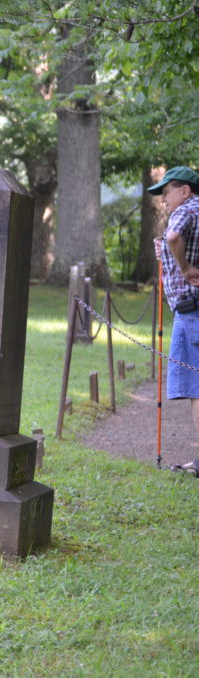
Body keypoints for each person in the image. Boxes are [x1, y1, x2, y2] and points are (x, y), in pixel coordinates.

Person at [150, 165, 199, 473]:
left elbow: (173, 235)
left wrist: (184, 268)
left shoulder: (187, 210)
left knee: (196, 387)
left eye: (166, 193)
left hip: (192, 310)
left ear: (185, 191)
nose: (163, 200)